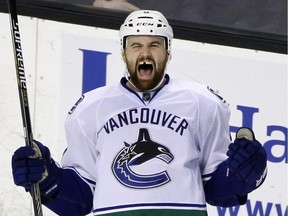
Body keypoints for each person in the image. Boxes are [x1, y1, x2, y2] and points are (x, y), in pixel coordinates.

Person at [12, 10, 267, 216]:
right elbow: (79, 201)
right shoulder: (89, 109)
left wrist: (247, 176)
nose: (145, 53)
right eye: (136, 45)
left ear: (168, 52)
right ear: (123, 53)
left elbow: (217, 189)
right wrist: (46, 181)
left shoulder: (203, 103)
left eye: (154, 45)